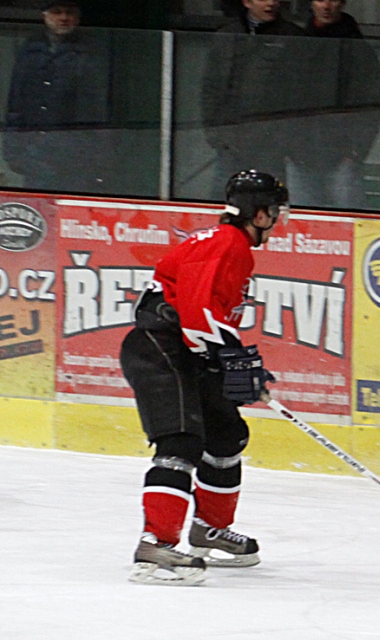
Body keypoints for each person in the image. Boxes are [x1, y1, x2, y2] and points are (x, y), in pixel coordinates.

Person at [120, 171, 288, 586]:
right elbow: (197, 314)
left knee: (227, 435)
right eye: (275, 212)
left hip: (186, 347)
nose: (279, 221)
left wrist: (237, 360)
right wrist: (231, 357)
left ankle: (207, 531)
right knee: (180, 441)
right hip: (160, 347)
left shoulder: (228, 244)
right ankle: (155, 544)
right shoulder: (226, 244)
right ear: (260, 213)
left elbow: (205, 319)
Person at [287, 0, 380, 209]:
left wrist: (354, 152)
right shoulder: (298, 46)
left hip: (341, 160)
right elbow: (284, 99)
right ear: (311, 4)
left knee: (347, 227)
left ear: (342, 3)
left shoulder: (359, 50)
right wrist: (288, 147)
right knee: (304, 228)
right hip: (300, 158)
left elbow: (371, 106)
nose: (326, 5)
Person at [201, 0, 306, 189]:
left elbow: (300, 92)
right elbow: (211, 88)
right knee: (224, 200)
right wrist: (215, 135)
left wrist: (287, 141)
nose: (271, 3)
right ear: (246, 2)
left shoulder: (293, 37)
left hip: (272, 145)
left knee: (269, 203)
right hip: (231, 143)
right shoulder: (227, 36)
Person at [3, 0, 112, 192]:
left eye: (69, 12)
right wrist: (13, 148)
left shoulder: (89, 52)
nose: (63, 18)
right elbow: (16, 101)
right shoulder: (30, 50)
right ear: (45, 15)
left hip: (74, 156)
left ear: (77, 17)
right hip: (36, 152)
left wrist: (94, 155)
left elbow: (95, 107)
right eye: (57, 12)